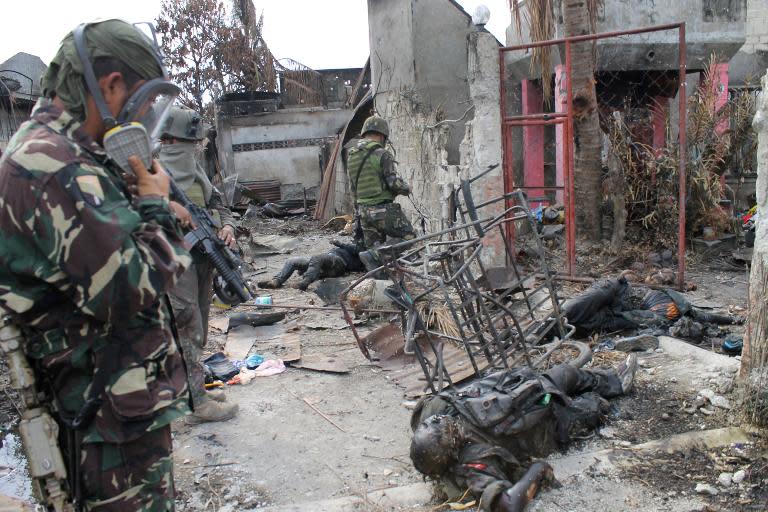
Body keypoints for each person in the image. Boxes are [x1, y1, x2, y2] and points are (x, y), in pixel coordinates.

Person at [0, 20, 192, 510]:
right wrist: (155, 207)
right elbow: (129, 289)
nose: (146, 116)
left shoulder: (71, 156)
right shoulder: (53, 166)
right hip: (103, 422)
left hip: (115, 412)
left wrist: (148, 206)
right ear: (109, 87)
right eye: (144, 102)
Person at [409, 356, 638, 512]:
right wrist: (537, 472)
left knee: (566, 373)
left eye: (433, 423)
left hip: (526, 393)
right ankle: (603, 397)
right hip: (548, 428)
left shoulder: (435, 412)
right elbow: (508, 505)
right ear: (451, 450)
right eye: (440, 431)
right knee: (594, 406)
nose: (438, 421)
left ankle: (616, 381)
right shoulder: (472, 466)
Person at [158, 106, 239, 424]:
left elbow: (218, 201)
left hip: (204, 254)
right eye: (190, 142)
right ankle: (193, 406)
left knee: (200, 325)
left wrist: (227, 226)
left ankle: (195, 391)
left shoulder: (196, 170)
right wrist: (168, 210)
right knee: (186, 327)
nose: (197, 148)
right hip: (174, 262)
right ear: (170, 140)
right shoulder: (152, 173)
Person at [343, 115, 416, 252]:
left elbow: (353, 189)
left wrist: (358, 211)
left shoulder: (352, 156)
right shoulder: (382, 154)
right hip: (381, 210)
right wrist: (407, 188)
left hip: (363, 212)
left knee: (374, 252)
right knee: (410, 236)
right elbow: (393, 184)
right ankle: (375, 256)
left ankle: (375, 262)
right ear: (382, 135)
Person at [258, 239, 365, 291]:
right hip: (323, 263)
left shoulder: (363, 250)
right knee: (292, 261)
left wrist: (339, 243)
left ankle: (305, 282)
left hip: (339, 264)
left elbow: (358, 250)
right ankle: (277, 281)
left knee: (317, 257)